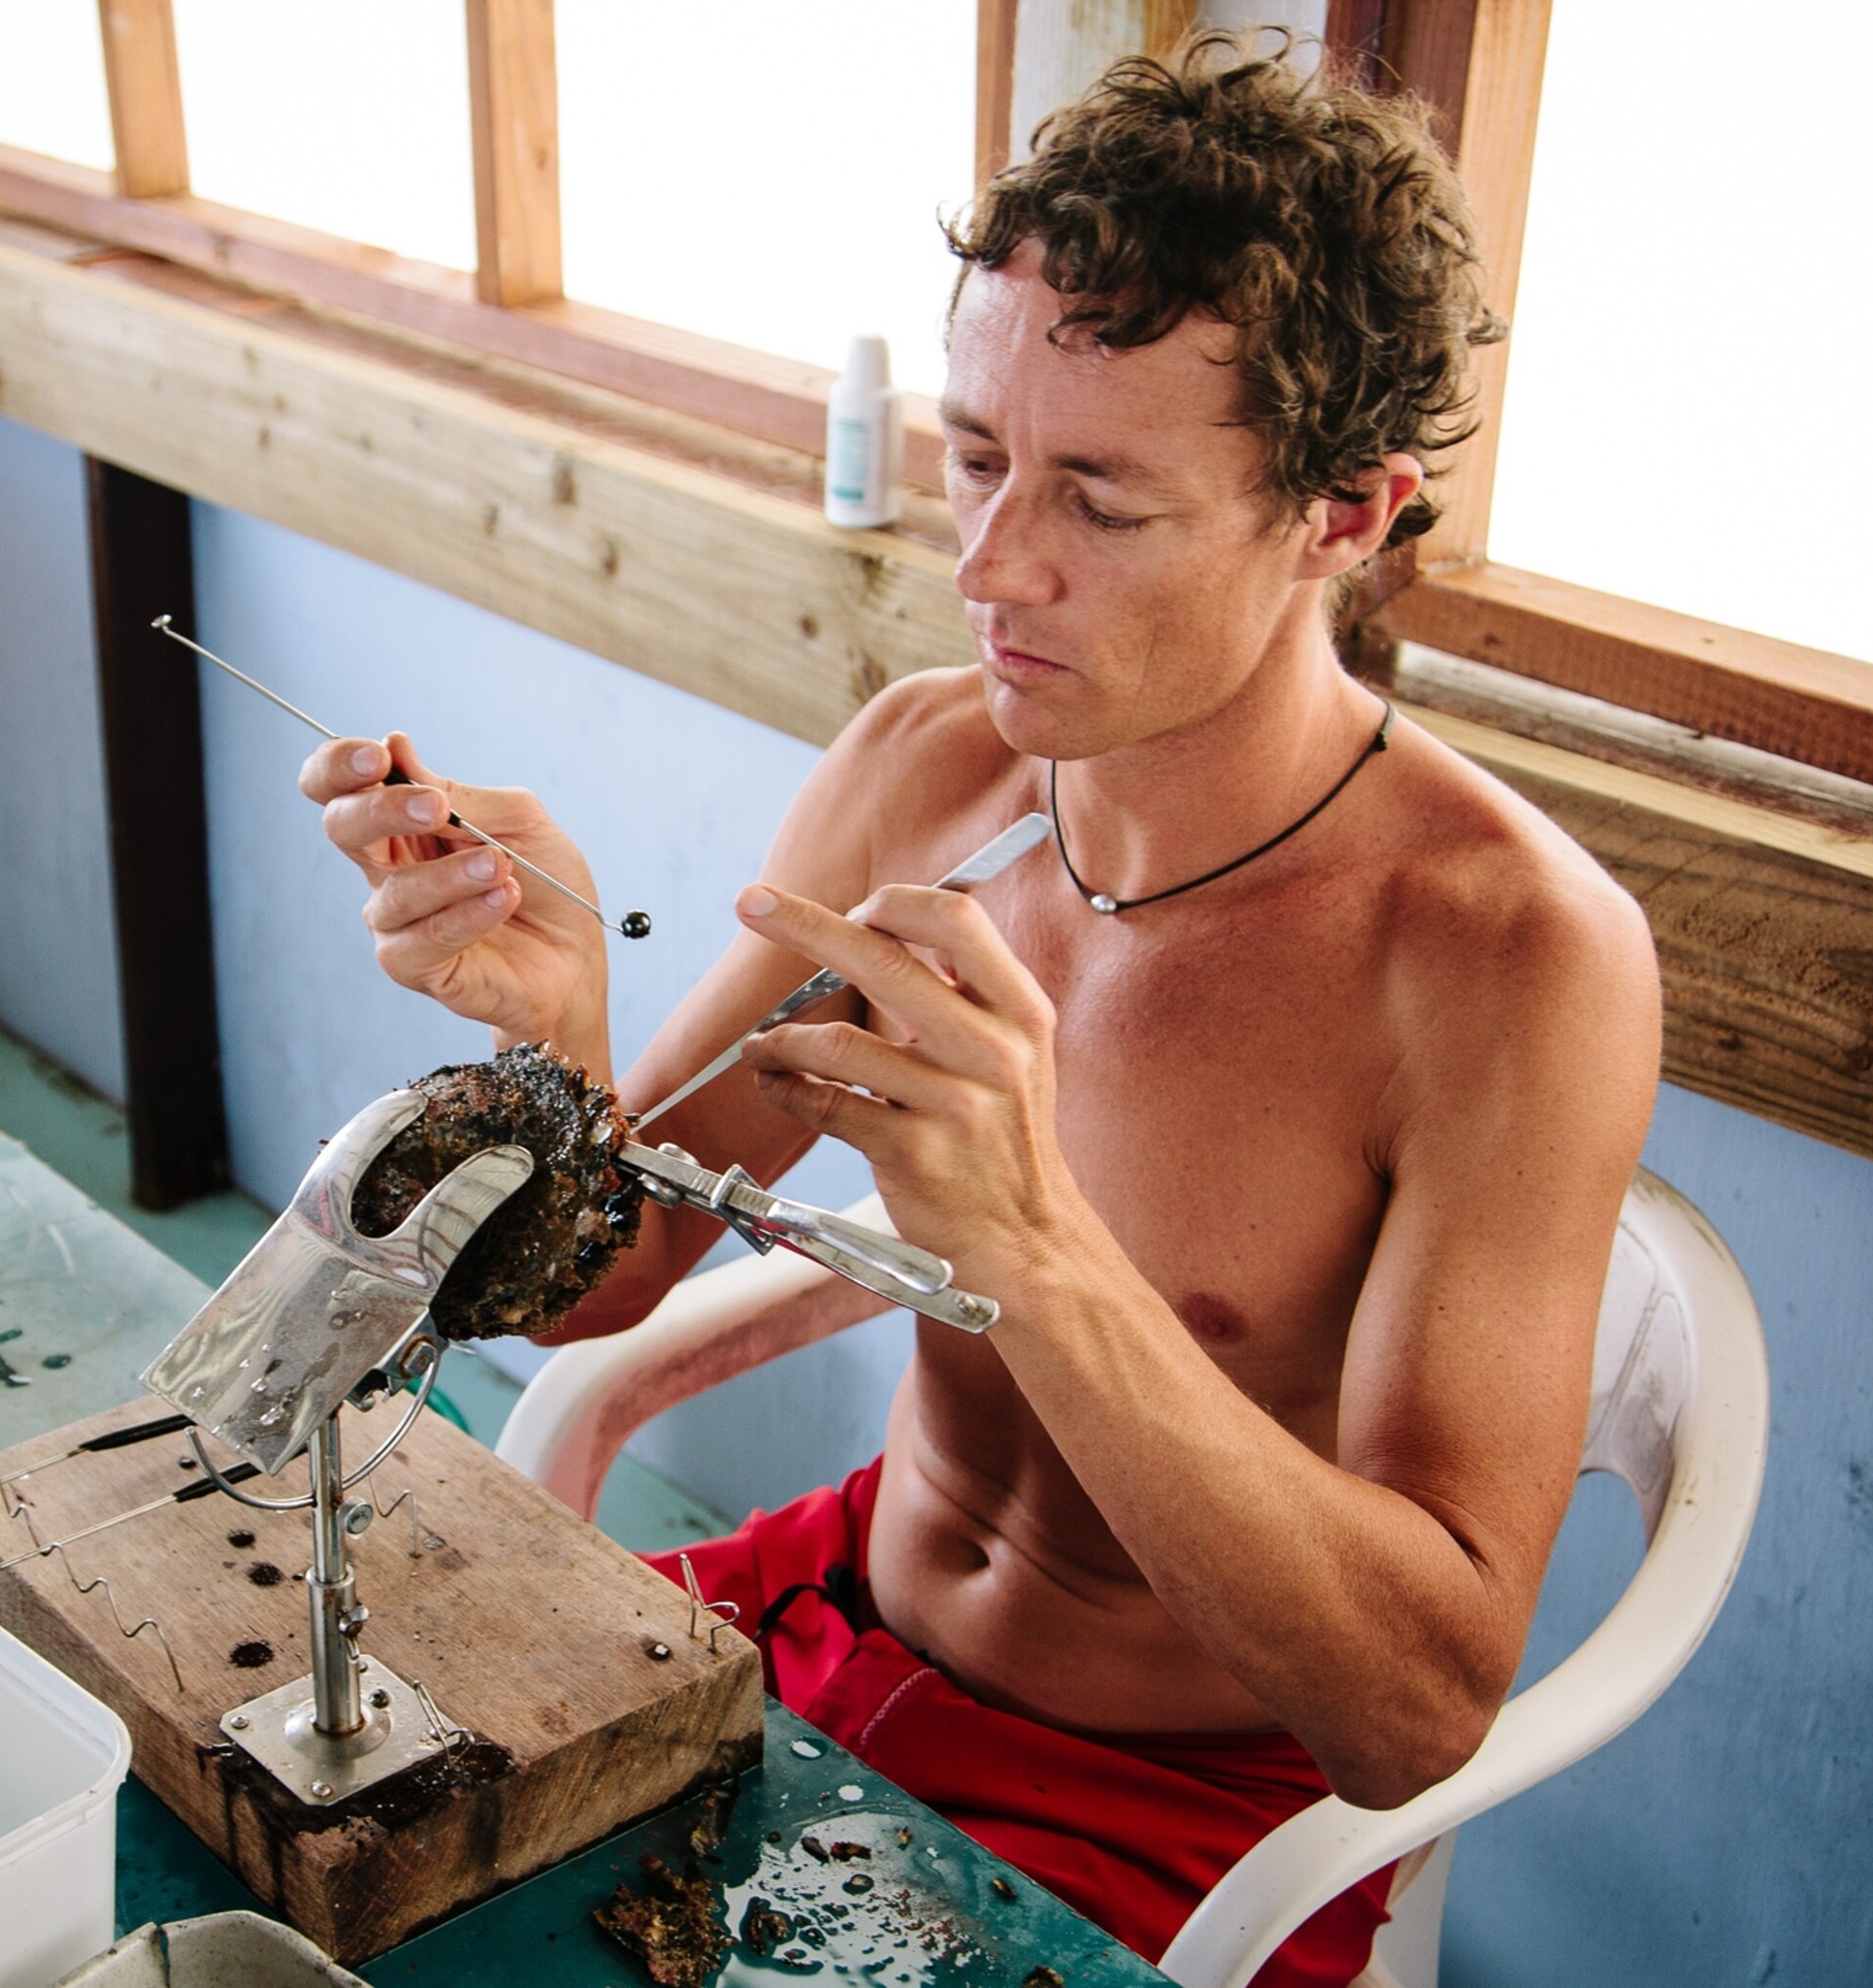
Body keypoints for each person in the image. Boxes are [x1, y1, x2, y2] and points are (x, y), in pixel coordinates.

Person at [298, 33, 1659, 1986]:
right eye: (976, 452)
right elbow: (615, 1268)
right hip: (828, 1611)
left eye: (1102, 499)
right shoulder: (925, 770)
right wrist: (556, 1044)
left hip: (1175, 1806)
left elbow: (1412, 1711)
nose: (992, 562)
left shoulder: (1507, 960)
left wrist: (1029, 1237)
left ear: (1347, 515)